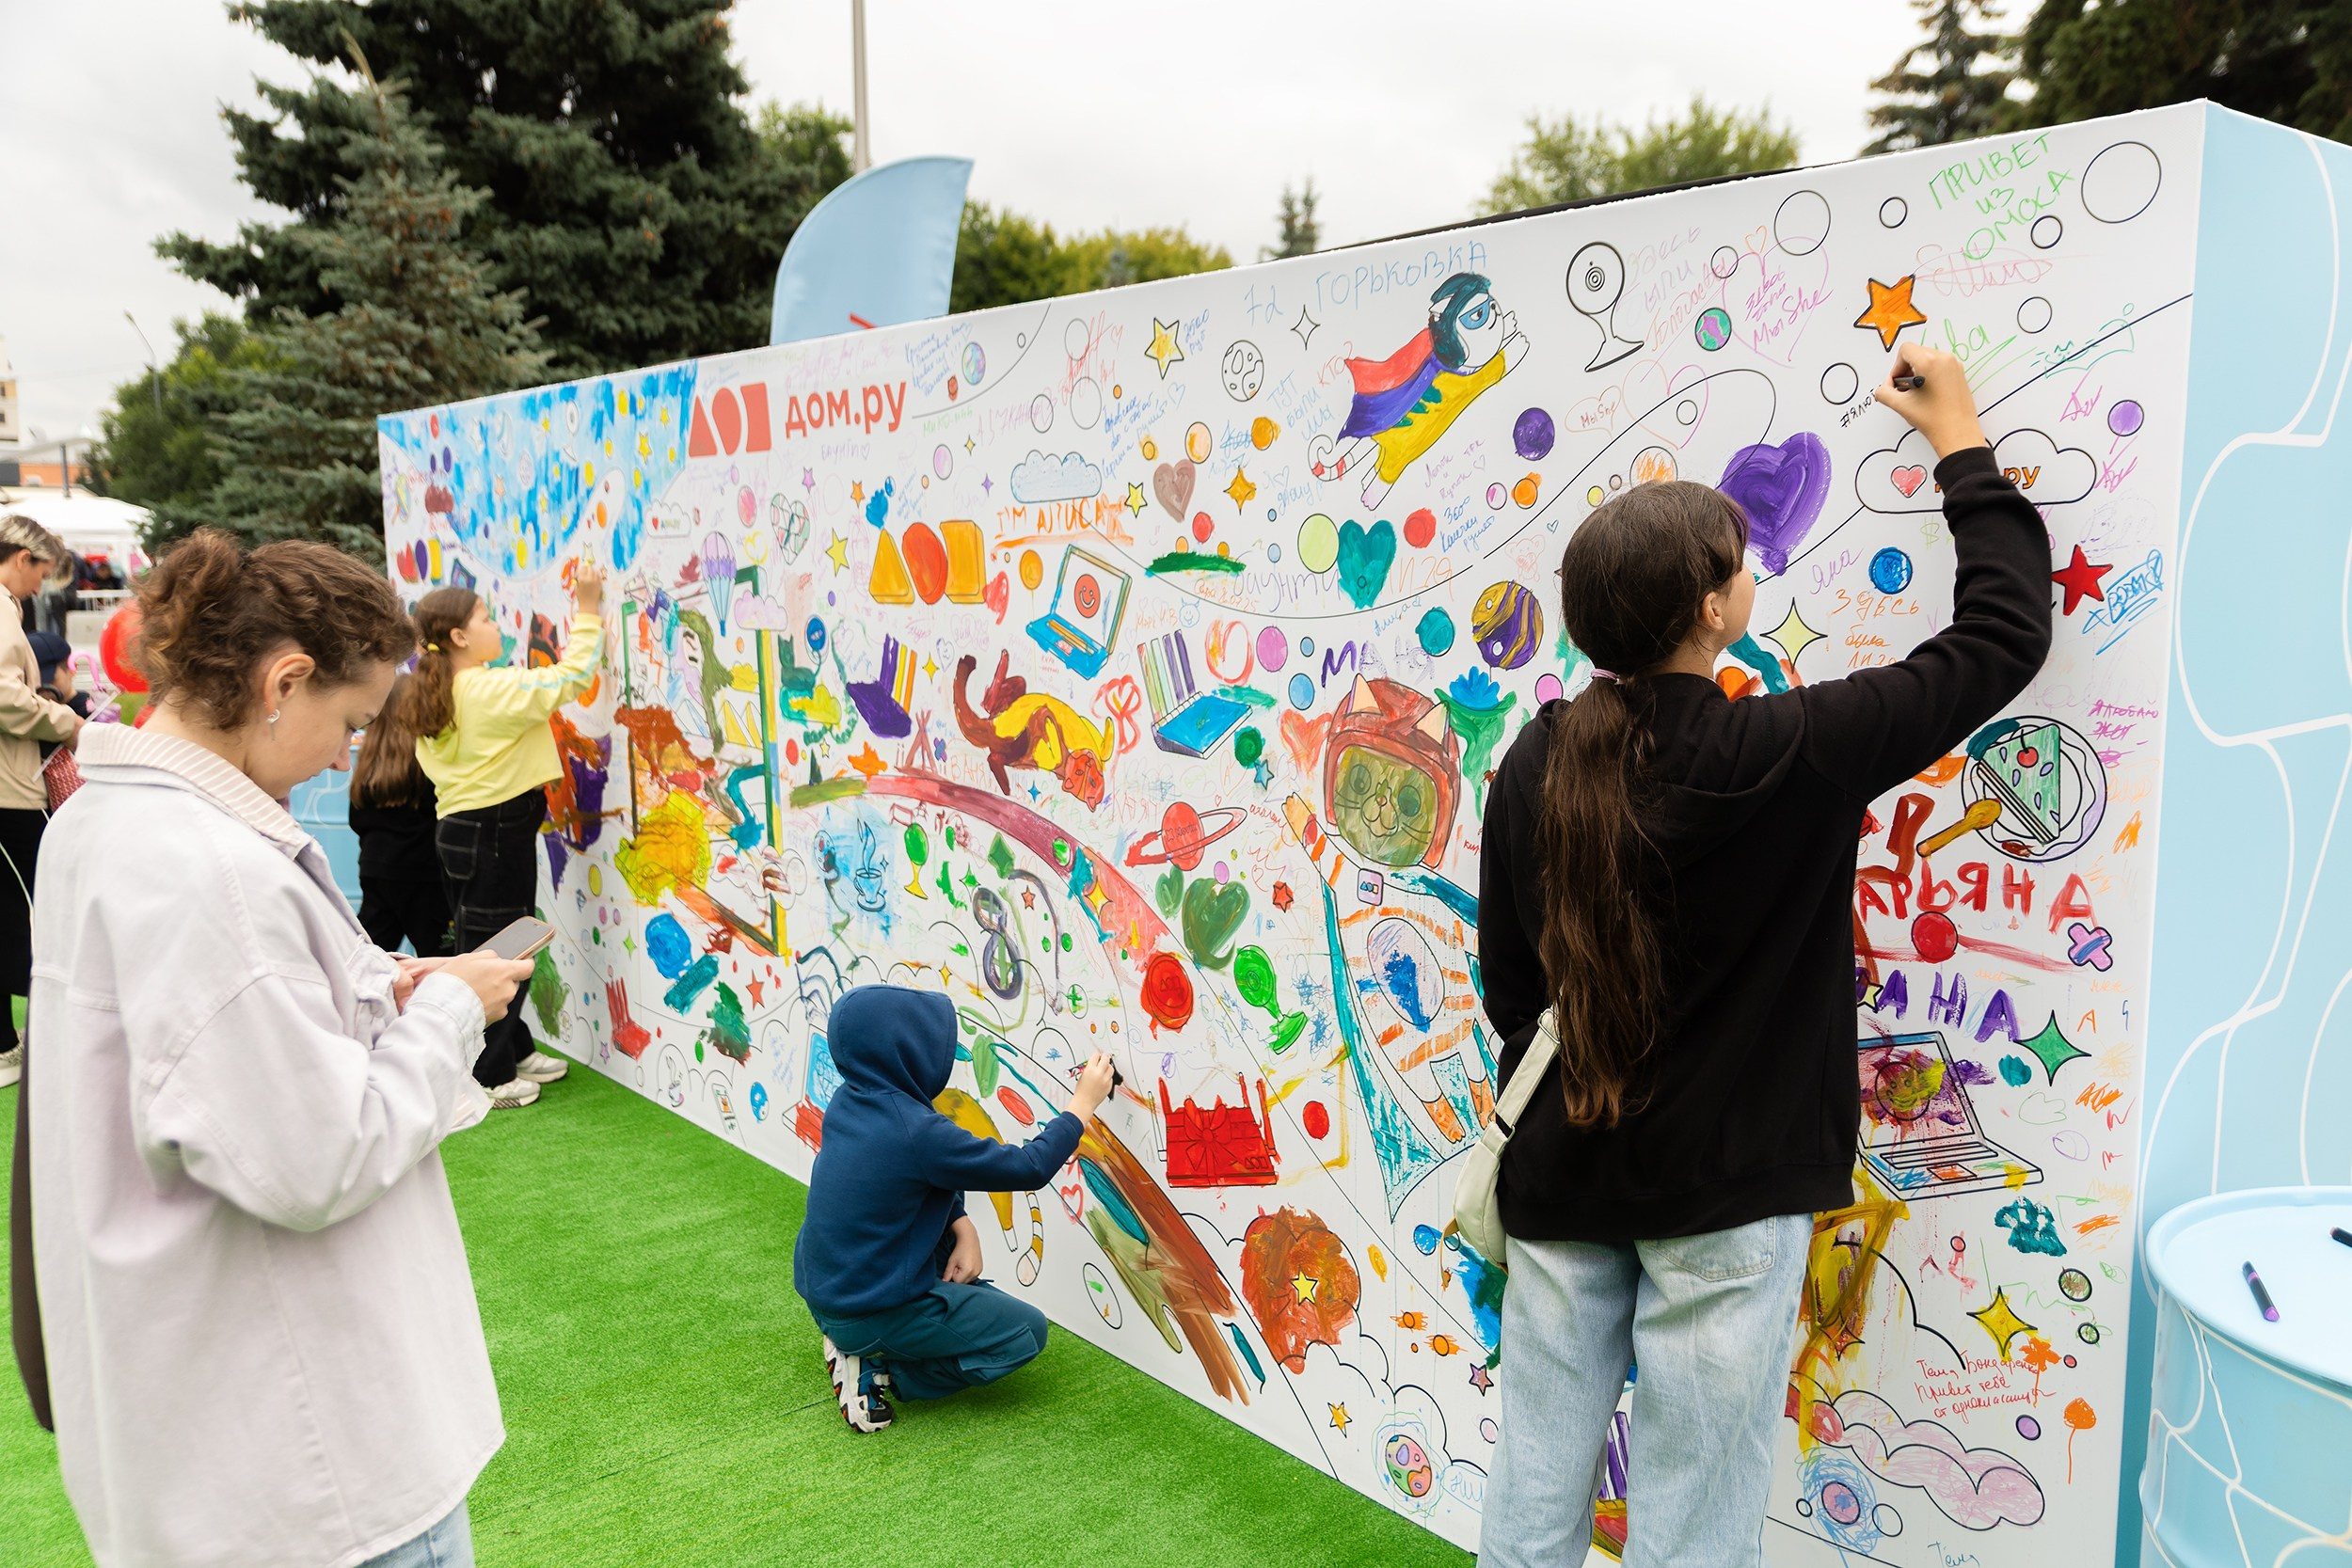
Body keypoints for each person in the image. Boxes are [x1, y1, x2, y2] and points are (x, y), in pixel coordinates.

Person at [1473, 345, 2052, 1568]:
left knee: (1533, 1491)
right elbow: (2001, 633)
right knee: (1694, 1508)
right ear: (1715, 606)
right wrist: (1960, 444)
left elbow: (1512, 990)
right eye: (1739, 565)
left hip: (1562, 1173)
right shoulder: (1791, 749)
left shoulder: (1534, 760)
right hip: (1728, 1200)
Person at [27, 528, 535, 1568]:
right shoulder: (205, 867)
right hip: (308, 1470)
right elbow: (319, 1155)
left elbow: (204, 1048)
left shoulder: (105, 821)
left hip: (214, 1435)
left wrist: (375, 987)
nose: (349, 750)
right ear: (283, 679)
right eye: (347, 718)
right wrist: (447, 1016)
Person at [793, 983, 1119, 1433]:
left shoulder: (851, 1098)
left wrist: (962, 1225)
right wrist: (1082, 1105)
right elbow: (1025, 1168)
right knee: (1025, 1333)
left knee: (953, 1234)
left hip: (830, 1287)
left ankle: (864, 1337)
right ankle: (877, 1372)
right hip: (864, 1306)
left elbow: (913, 1177)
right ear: (907, 1052)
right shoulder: (916, 1130)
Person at [403, 567, 602, 1108]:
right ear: (460, 637)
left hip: (462, 829)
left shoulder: (438, 689)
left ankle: (510, 1047)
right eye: (486, 618)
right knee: (500, 953)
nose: (498, 627)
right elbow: (574, 675)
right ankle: (489, 1074)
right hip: (493, 830)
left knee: (483, 943)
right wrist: (588, 606)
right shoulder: (487, 689)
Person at [0, 515, 80, 1090]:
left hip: (11, 782)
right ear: (22, 558)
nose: (38, 588)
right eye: (40, 575)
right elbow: (4, 695)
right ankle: (43, 1037)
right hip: (8, 790)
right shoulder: (1, 604)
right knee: (33, 912)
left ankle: (8, 1042)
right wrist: (65, 719)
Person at [351, 673, 452, 959]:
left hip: (376, 871)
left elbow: (357, 821)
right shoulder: (429, 759)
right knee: (440, 961)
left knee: (368, 958)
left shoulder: (367, 762)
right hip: (424, 876)